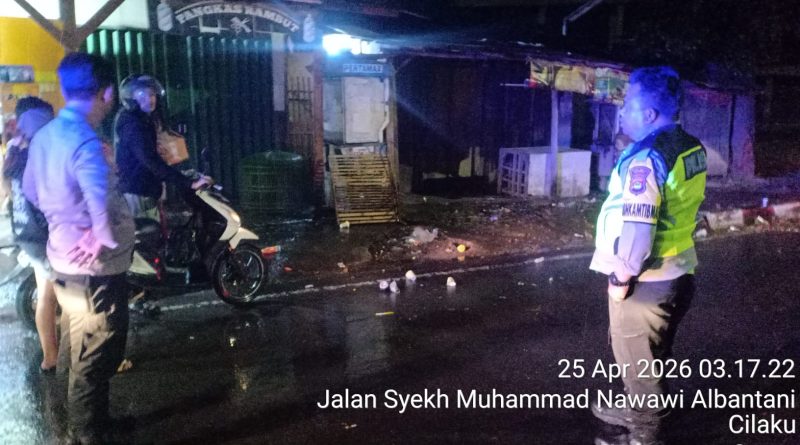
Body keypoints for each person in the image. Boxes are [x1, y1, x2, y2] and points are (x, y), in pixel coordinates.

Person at [589, 66, 707, 445]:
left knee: (636, 356)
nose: (622, 111)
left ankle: (644, 428)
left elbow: (639, 228)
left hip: (647, 280)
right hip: (679, 270)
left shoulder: (646, 157)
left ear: (649, 114)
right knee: (654, 353)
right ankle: (641, 406)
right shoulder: (690, 146)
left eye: (628, 103)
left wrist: (621, 277)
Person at [23, 52, 136, 445]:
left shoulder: (45, 136)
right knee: (96, 353)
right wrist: (96, 233)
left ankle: (89, 424)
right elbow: (98, 200)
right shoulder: (86, 142)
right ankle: (87, 434)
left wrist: (65, 222)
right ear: (107, 93)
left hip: (64, 262)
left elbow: (31, 191)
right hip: (96, 271)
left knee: (76, 347)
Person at [3, 97, 57, 372]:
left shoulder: (14, 149)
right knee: (71, 300)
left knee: (47, 296)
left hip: (27, 232)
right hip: (45, 234)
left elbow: (7, 192)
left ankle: (51, 357)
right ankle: (69, 359)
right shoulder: (40, 149)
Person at [113, 74, 208, 219]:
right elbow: (149, 159)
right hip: (138, 193)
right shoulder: (132, 124)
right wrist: (188, 183)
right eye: (143, 94)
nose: (150, 99)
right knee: (147, 231)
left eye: (152, 94)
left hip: (145, 191)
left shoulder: (143, 120)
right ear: (130, 97)